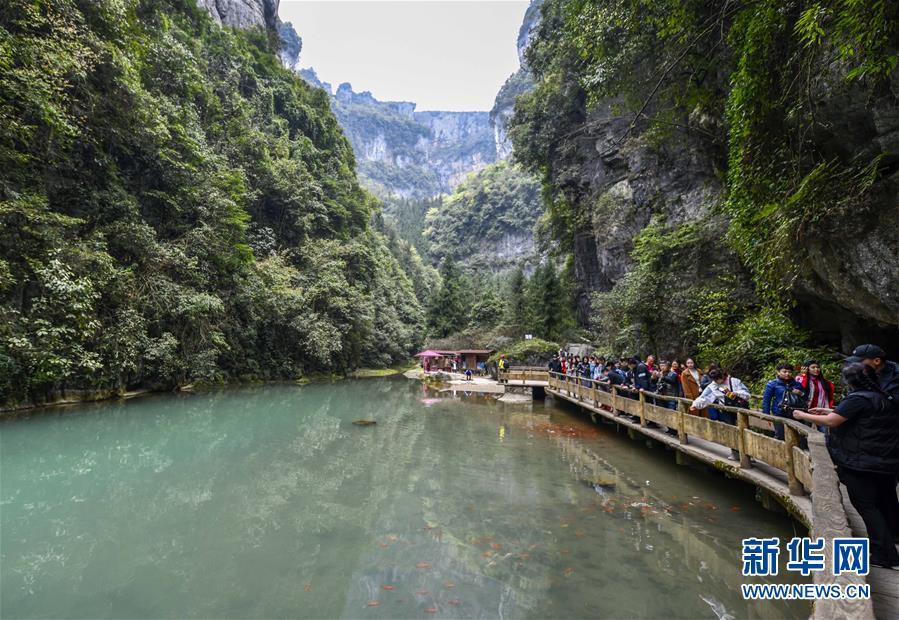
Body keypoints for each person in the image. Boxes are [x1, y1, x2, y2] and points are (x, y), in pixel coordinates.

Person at [794, 363, 899, 569]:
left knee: (866, 506)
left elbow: (832, 422)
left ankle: (885, 554)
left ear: (851, 381)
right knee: (882, 503)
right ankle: (888, 544)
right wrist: (828, 410)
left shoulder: (858, 399)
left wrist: (802, 416)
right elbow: (857, 414)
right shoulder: (883, 397)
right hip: (885, 461)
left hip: (861, 463)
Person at [690, 368, 750, 460]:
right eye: (714, 379)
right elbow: (704, 397)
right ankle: (735, 453)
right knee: (731, 431)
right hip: (726, 410)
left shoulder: (734, 381)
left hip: (741, 409)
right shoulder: (713, 386)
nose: (717, 381)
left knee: (745, 430)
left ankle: (749, 455)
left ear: (722, 376)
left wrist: (736, 393)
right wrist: (695, 405)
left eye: (718, 379)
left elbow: (747, 393)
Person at [762, 363, 805, 441]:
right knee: (780, 436)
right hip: (779, 413)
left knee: (799, 438)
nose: (787, 374)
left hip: (795, 413)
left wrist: (800, 393)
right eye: (784, 371)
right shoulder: (772, 384)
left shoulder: (797, 384)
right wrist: (766, 416)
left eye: (789, 372)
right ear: (778, 372)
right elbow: (766, 400)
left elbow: (805, 397)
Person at [851, 344, 899, 408]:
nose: (854, 365)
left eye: (859, 361)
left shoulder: (896, 376)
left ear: (877, 361)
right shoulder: (863, 373)